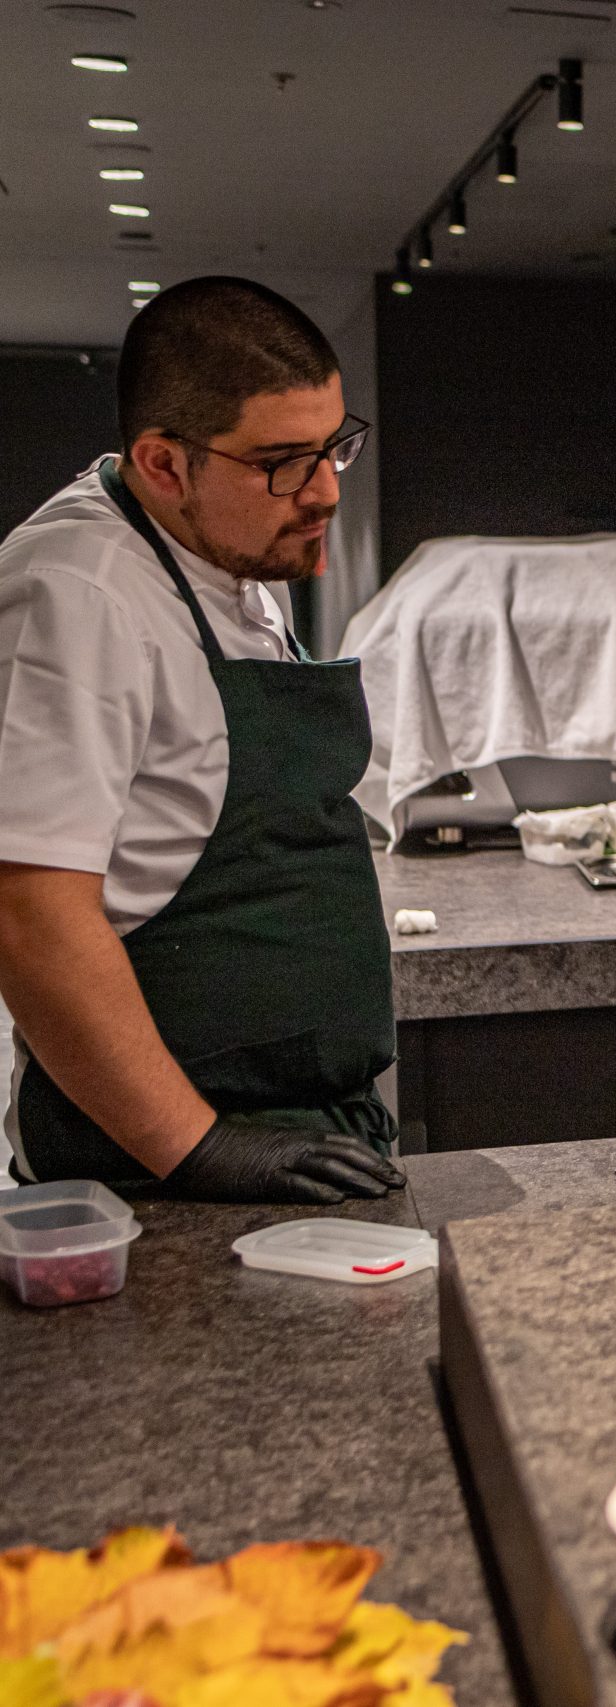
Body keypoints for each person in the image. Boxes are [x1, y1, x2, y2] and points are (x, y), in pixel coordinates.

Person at [0, 277, 404, 1201]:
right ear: (164, 463)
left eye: (336, 447)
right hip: (156, 1167)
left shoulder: (228, 554)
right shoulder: (77, 592)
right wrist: (200, 1147)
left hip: (295, 1127)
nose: (326, 491)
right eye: (285, 462)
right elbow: (31, 917)